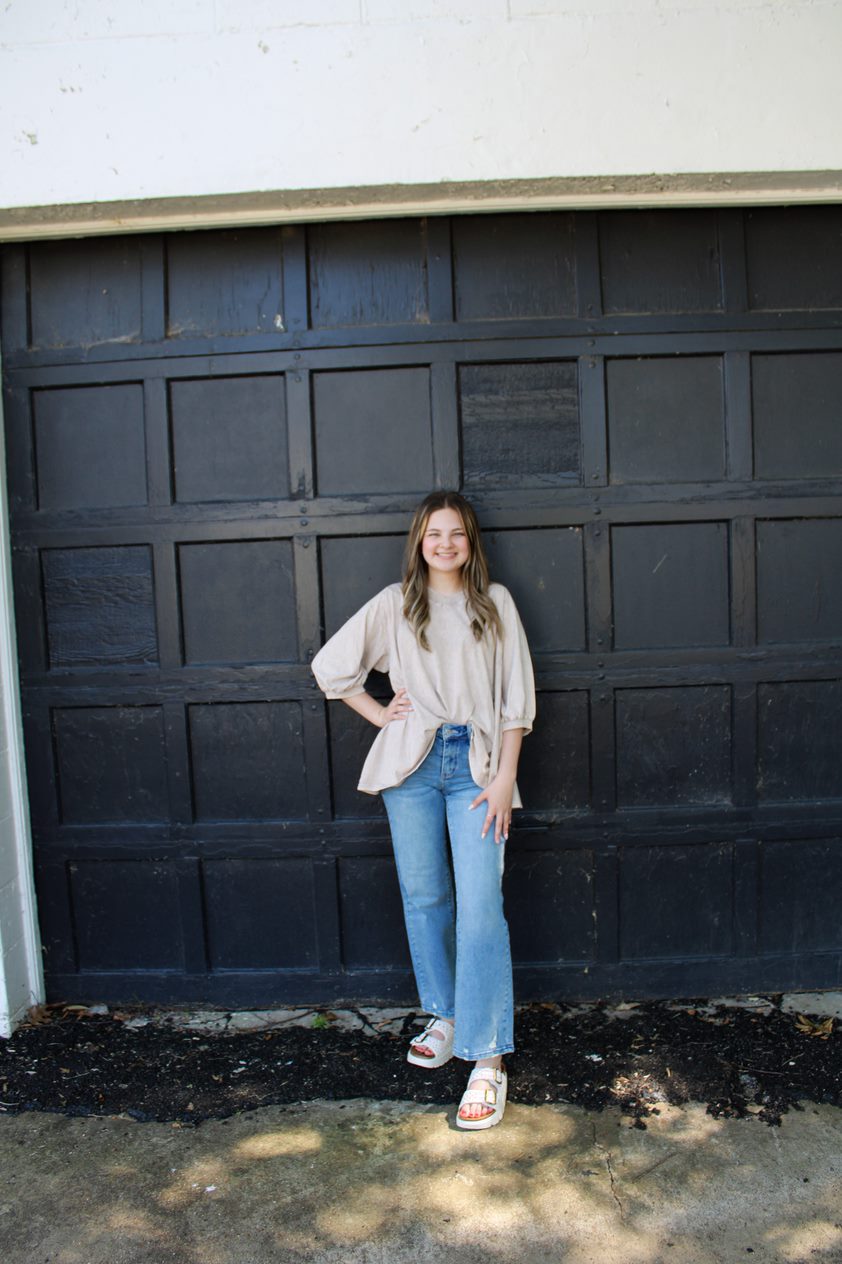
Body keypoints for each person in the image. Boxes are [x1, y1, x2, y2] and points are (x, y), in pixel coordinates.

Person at [312, 491, 535, 1129]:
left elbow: (515, 700)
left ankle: (487, 1059)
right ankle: (447, 1013)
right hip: (411, 766)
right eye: (434, 533)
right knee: (425, 897)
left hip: (477, 768)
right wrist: (381, 714)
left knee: (481, 905)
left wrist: (504, 780)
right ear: (419, 540)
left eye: (456, 534)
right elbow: (331, 667)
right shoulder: (394, 603)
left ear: (471, 543)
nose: (445, 544)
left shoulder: (495, 606)